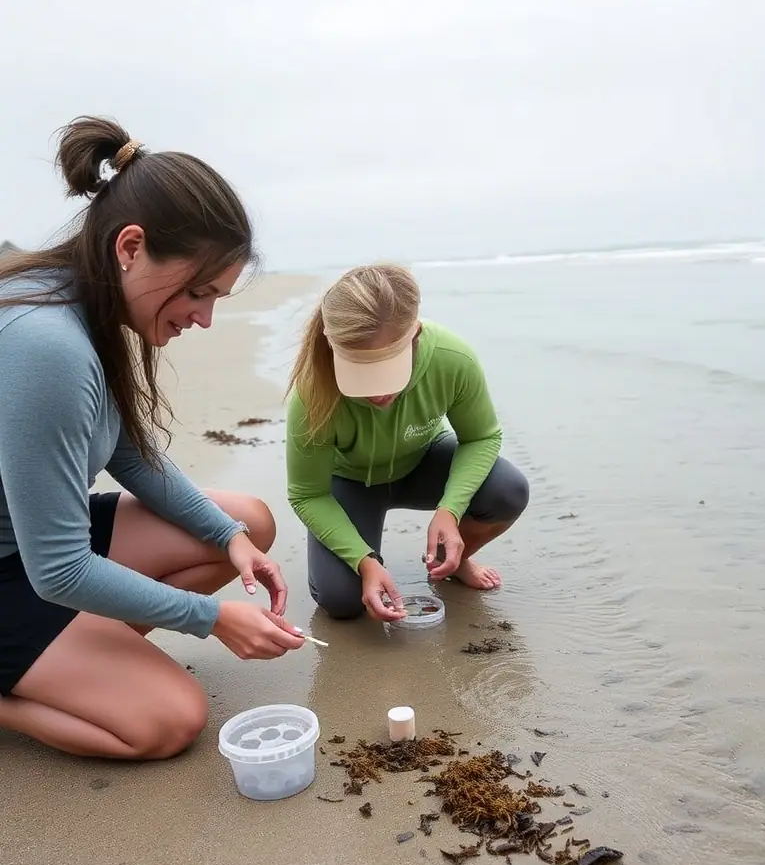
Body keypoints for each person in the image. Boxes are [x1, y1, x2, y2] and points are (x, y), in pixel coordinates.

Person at [0, 116, 305, 761]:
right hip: (22, 568)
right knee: (170, 721)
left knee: (244, 523)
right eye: (198, 291)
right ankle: (42, 682)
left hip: (32, 546)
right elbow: (57, 569)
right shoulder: (46, 343)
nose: (205, 317)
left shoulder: (89, 307)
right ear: (130, 248)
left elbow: (127, 452)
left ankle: (77, 660)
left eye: (216, 297)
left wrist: (229, 540)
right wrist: (211, 619)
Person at [285, 263, 530, 622]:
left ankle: (456, 560)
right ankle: (365, 567)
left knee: (508, 490)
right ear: (331, 342)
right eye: (363, 376)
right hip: (351, 482)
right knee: (341, 601)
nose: (380, 394)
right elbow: (307, 494)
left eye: (388, 373)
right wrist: (364, 561)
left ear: (415, 334)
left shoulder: (452, 359)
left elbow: (481, 437)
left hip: (422, 462)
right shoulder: (312, 391)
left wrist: (451, 508)